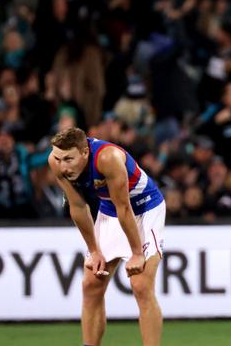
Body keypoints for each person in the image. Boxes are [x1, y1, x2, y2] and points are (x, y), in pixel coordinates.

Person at [48, 127, 165, 346]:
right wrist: (94, 251)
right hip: (110, 210)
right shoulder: (56, 162)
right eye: (59, 158)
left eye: (69, 159)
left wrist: (137, 253)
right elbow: (78, 207)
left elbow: (125, 208)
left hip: (144, 208)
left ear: (84, 152)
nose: (63, 166)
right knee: (92, 283)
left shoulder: (108, 158)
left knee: (140, 285)